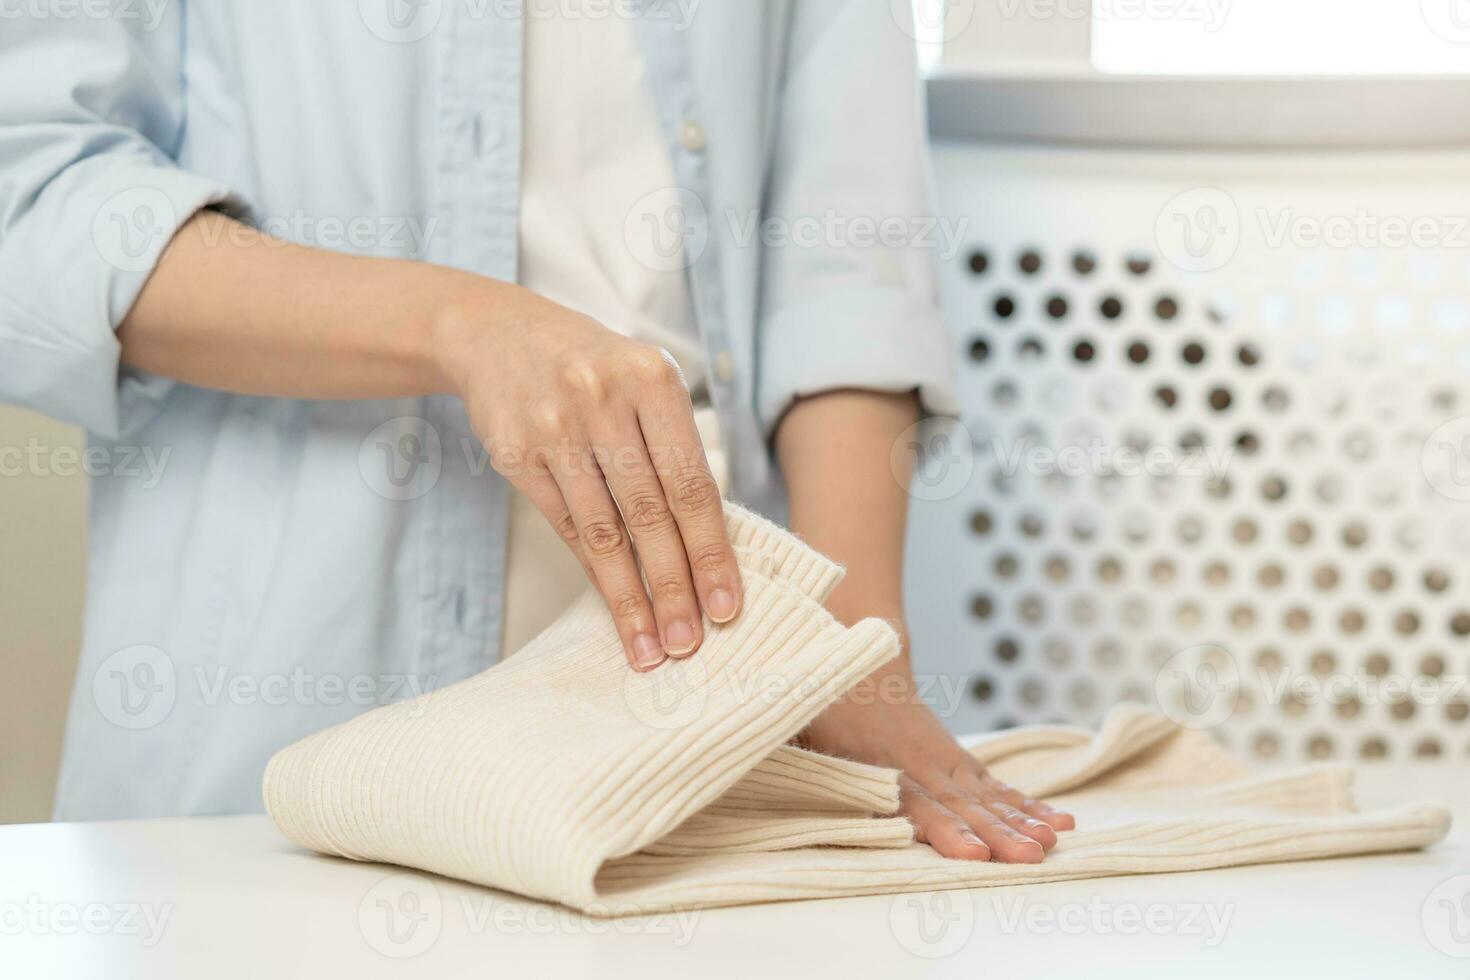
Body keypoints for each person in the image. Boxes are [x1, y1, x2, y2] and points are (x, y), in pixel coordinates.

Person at [0, 1, 1071, 863]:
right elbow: (31, 198)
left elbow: (843, 241)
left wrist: (849, 647)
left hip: (713, 703)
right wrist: (461, 326)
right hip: (278, 693)